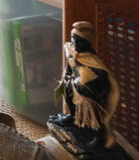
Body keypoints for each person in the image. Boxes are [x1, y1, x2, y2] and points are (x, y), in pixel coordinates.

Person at [48, 21, 123, 159]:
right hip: (73, 87)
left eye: (80, 41)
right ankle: (71, 118)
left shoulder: (94, 63)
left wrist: (89, 90)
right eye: (74, 39)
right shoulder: (71, 52)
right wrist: (67, 80)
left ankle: (98, 138)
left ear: (88, 43)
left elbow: (104, 85)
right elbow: (69, 69)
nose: (76, 43)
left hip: (90, 98)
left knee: (95, 119)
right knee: (71, 102)